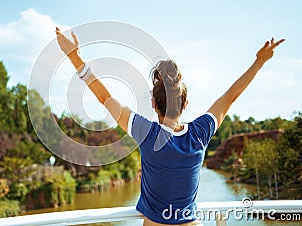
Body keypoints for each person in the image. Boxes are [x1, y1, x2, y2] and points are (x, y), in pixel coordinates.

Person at [55, 27, 284, 226]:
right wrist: (259, 62)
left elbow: (104, 97)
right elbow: (231, 96)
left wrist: (73, 55)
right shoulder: (200, 133)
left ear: (154, 104)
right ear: (185, 103)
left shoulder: (145, 132)